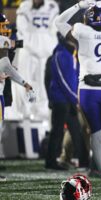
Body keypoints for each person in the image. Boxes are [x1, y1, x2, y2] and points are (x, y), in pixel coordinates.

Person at [55, 0, 101, 185]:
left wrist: (78, 6)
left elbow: (58, 22)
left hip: (88, 89)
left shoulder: (82, 31)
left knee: (95, 132)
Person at [45, 33, 89, 170]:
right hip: (61, 100)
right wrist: (74, 98)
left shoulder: (72, 54)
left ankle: (84, 162)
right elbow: (62, 81)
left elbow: (74, 79)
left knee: (76, 131)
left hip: (69, 100)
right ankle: (51, 162)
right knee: (57, 132)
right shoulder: (59, 54)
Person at [0, 13, 35, 182]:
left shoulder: (3, 46)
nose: (6, 29)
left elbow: (6, 66)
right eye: (3, 25)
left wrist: (24, 83)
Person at [12, 0, 59, 120]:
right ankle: (26, 109)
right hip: (28, 51)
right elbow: (21, 31)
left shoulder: (52, 6)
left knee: (43, 83)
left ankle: (42, 111)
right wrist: (31, 46)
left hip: (46, 52)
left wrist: (48, 46)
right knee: (26, 81)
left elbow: (54, 29)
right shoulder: (25, 6)